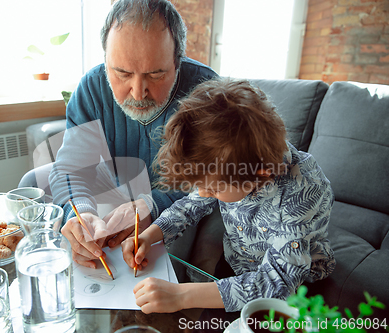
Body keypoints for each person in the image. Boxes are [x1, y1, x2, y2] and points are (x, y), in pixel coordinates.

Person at [122, 77, 336, 313]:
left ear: (260, 175)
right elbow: (191, 205)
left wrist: (181, 296)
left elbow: (277, 283)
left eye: (214, 190)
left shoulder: (303, 192)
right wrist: (151, 235)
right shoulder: (226, 165)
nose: (204, 193)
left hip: (296, 284)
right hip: (238, 260)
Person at [46, 0, 218, 269]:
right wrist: (79, 211)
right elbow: (72, 166)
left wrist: (155, 204)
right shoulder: (91, 87)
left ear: (178, 61)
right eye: (122, 73)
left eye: (156, 74)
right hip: (118, 195)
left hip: (181, 209)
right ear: (105, 60)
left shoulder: (208, 92)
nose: (138, 93)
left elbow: (221, 179)